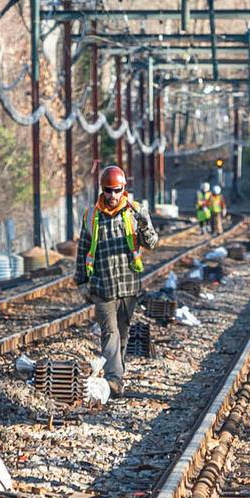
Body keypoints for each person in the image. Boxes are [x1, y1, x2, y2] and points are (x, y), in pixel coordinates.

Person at [76, 164, 154, 387]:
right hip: (103, 287)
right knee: (109, 332)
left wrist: (145, 223)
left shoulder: (134, 212)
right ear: (102, 189)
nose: (112, 195)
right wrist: (81, 282)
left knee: (123, 331)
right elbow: (83, 249)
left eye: (116, 190)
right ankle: (114, 378)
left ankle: (118, 369)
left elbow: (151, 243)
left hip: (128, 287)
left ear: (123, 189)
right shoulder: (91, 215)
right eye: (108, 190)